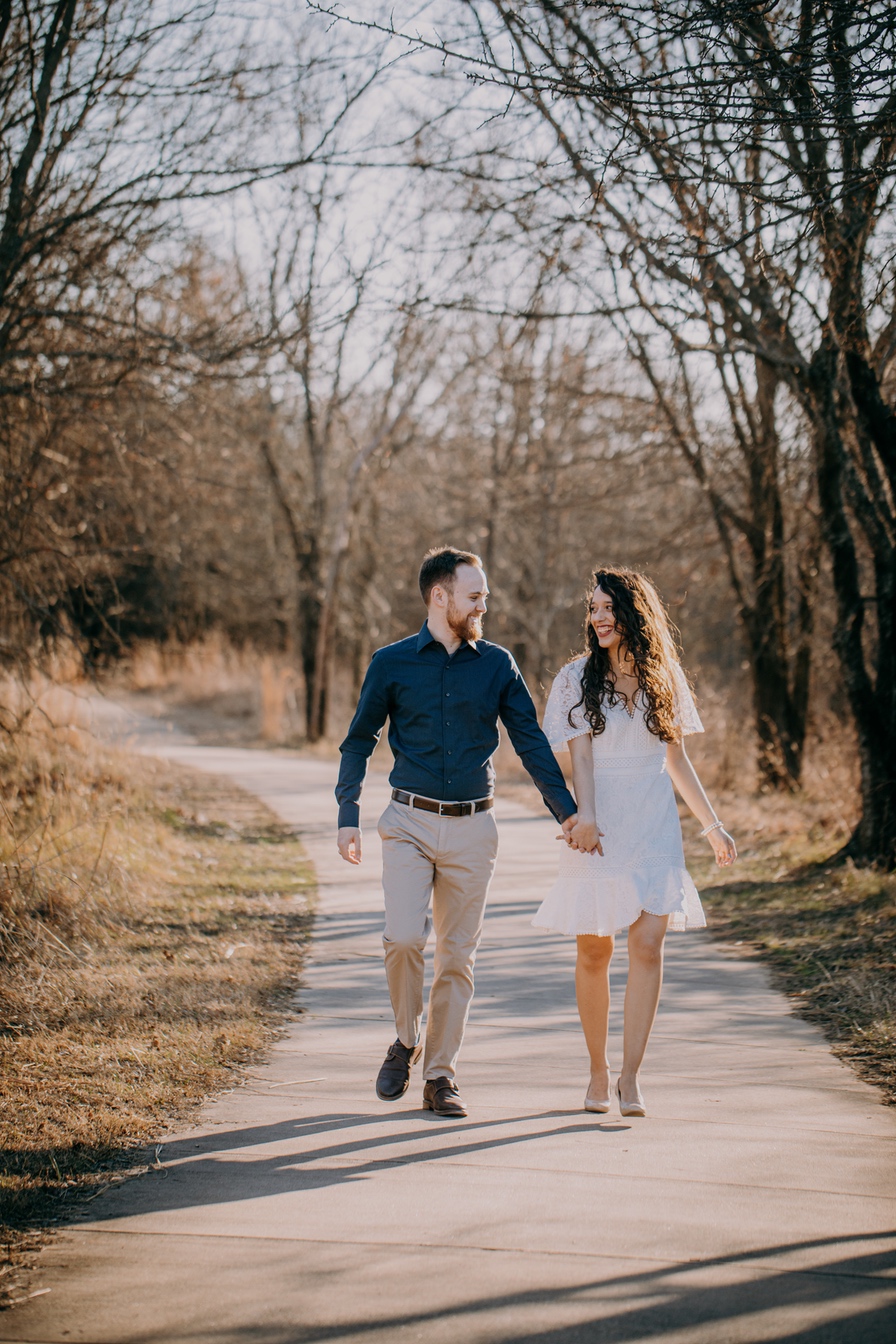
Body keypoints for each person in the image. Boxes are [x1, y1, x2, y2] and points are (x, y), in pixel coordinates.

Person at [336, 546, 579, 1118]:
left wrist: (566, 812)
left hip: (474, 828)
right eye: (474, 596)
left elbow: (529, 741)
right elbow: (358, 740)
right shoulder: (391, 663)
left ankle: (440, 1075)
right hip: (409, 822)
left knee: (456, 959)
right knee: (401, 939)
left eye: (484, 596)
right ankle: (406, 1037)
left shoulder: (497, 664)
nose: (483, 605)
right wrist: (348, 813)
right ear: (439, 596)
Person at [533, 566, 736, 1118]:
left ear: (634, 613)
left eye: (607, 608)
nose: (597, 617)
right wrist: (587, 817)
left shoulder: (664, 677)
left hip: (653, 825)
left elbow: (676, 760)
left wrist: (712, 826)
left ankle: (630, 1078)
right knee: (593, 950)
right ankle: (597, 1072)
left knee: (647, 946)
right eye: (593, 609)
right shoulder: (575, 678)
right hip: (601, 825)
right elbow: (580, 759)